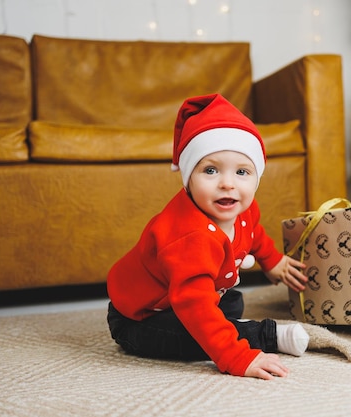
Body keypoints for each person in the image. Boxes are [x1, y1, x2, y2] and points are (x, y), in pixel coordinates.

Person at [107, 93, 310, 380]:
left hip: (191, 293)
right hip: (139, 317)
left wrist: (272, 261)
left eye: (242, 172)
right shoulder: (188, 236)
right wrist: (237, 356)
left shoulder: (243, 210)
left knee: (231, 302)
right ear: (188, 178)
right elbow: (195, 305)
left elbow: (254, 235)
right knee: (193, 337)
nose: (227, 184)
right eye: (211, 170)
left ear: (256, 179)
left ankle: (229, 326)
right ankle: (263, 334)